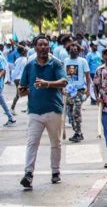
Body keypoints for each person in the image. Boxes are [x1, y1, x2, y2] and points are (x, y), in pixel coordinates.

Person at [18, 35, 68, 190]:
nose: (43, 47)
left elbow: (64, 82)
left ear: (49, 47)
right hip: (34, 111)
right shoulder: (30, 65)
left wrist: (46, 84)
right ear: (35, 47)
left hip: (53, 110)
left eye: (45, 45)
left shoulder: (56, 64)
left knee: (56, 143)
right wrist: (23, 91)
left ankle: (55, 172)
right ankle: (28, 174)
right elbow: (22, 87)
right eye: (40, 45)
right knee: (32, 143)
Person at [63, 42, 91, 143]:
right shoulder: (65, 61)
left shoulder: (83, 61)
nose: (73, 51)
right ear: (68, 50)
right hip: (69, 91)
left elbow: (87, 76)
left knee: (76, 112)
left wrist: (88, 90)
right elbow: (63, 76)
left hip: (79, 90)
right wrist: (63, 88)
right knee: (70, 113)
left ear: (78, 51)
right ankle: (77, 132)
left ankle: (78, 133)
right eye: (71, 49)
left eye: (75, 49)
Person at [0, 50, 16, 127]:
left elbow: (3, 71)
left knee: (2, 100)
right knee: (2, 101)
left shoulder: (0, 57)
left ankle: (11, 117)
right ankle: (10, 117)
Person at [11, 46, 28, 114]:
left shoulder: (18, 59)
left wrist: (13, 78)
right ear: (24, 53)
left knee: (19, 94)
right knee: (22, 94)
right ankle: (12, 109)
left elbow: (15, 70)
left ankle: (13, 108)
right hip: (21, 79)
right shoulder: (25, 60)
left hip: (17, 78)